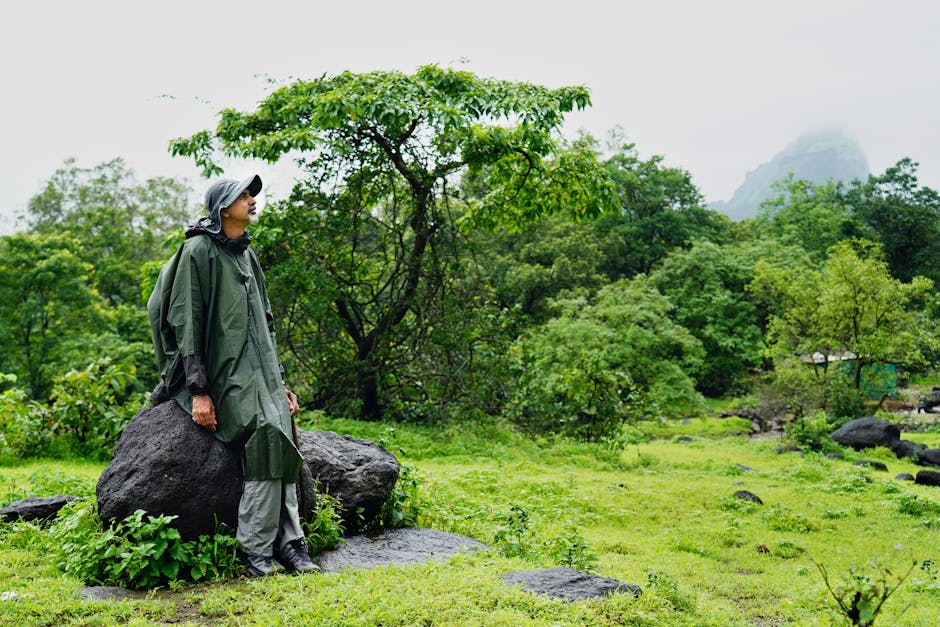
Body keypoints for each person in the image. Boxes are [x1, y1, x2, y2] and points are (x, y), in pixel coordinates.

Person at [148, 174, 318, 577]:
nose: (251, 200)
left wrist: (281, 383)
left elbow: (266, 325)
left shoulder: (246, 253)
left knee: (284, 435)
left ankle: (292, 544)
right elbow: (186, 321)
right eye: (243, 196)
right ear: (223, 208)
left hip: (260, 375)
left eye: (251, 195)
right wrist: (199, 392)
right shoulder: (198, 251)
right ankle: (256, 549)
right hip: (222, 374)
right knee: (264, 436)